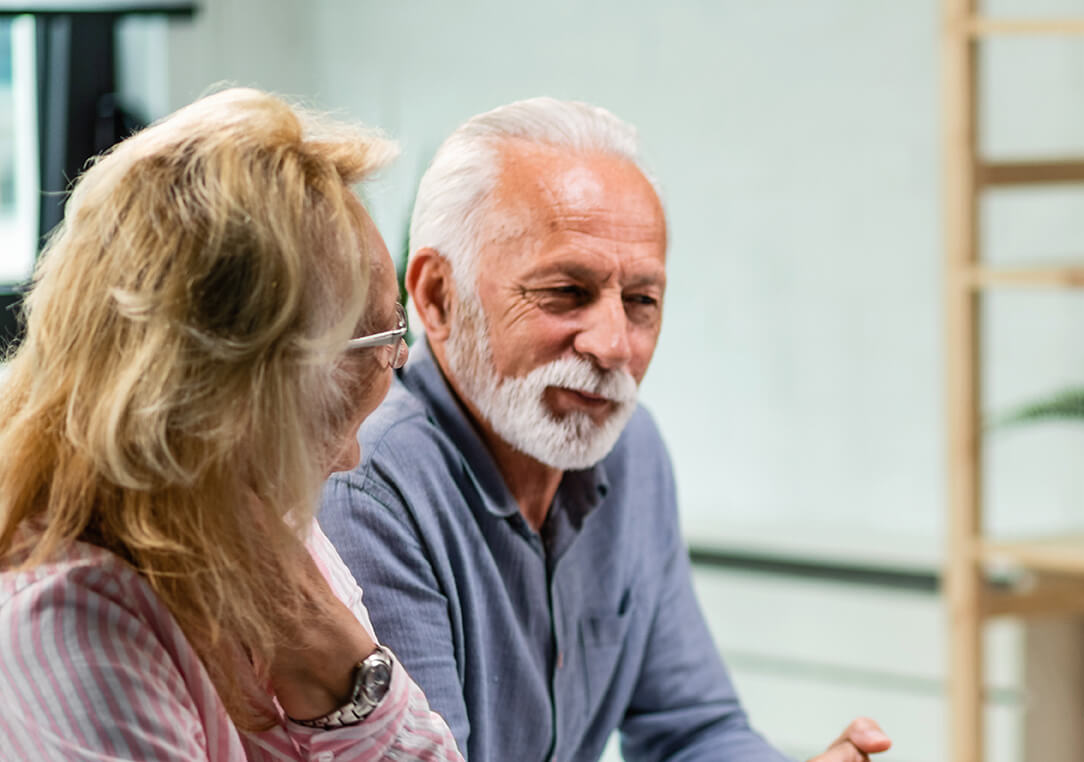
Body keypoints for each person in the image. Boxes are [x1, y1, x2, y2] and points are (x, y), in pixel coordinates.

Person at [316, 98, 890, 762]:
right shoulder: (366, 484)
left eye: (641, 301)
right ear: (438, 297)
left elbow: (694, 729)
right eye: (566, 292)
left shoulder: (631, 449)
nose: (615, 345)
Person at [0, 89, 460, 760]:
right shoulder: (66, 622)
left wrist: (335, 666)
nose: (402, 361)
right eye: (385, 338)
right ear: (251, 384)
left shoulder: (257, 523)